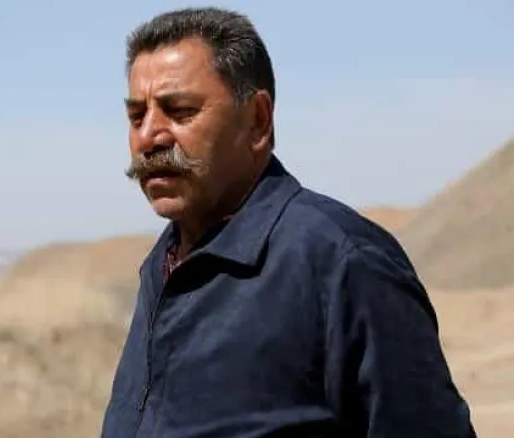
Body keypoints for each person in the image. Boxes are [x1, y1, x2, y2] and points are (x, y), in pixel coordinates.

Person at [101, 6, 476, 438]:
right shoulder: (163, 266)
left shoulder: (341, 262)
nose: (149, 137)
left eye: (180, 110)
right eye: (136, 116)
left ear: (257, 120)